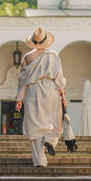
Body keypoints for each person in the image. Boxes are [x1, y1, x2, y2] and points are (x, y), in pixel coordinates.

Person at [15, 27, 66, 167]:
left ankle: (40, 162)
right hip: (50, 90)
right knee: (53, 120)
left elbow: (22, 81)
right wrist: (62, 94)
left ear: (33, 41)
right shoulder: (53, 55)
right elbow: (59, 77)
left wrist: (19, 99)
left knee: (34, 125)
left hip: (32, 90)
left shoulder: (27, 57)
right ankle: (49, 139)